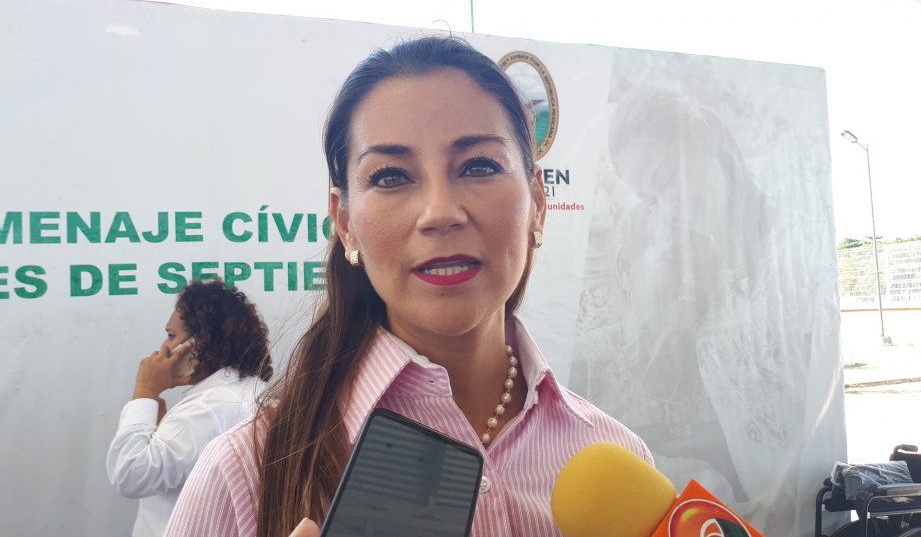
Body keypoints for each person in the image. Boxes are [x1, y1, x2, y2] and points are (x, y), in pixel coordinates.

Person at [165, 36, 651, 537]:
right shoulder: (242, 475)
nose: (440, 212)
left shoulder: (617, 460)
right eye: (391, 177)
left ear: (538, 205)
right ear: (345, 223)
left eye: (479, 166)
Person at [106, 279, 274, 537]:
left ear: (200, 342)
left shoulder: (206, 408)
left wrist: (145, 391)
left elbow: (130, 475)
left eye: (171, 336)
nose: (163, 349)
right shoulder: (256, 392)